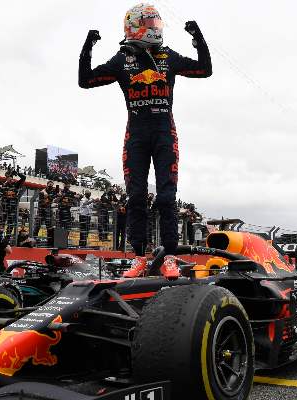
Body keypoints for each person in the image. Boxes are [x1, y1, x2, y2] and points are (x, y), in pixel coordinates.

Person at [79, 4, 211, 279]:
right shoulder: (121, 59)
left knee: (166, 197)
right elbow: (86, 80)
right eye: (151, 24)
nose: (156, 29)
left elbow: (204, 69)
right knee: (136, 197)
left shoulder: (167, 56)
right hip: (136, 136)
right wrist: (88, 45)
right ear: (136, 26)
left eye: (157, 24)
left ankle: (170, 257)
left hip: (165, 134)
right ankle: (139, 257)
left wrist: (197, 36)